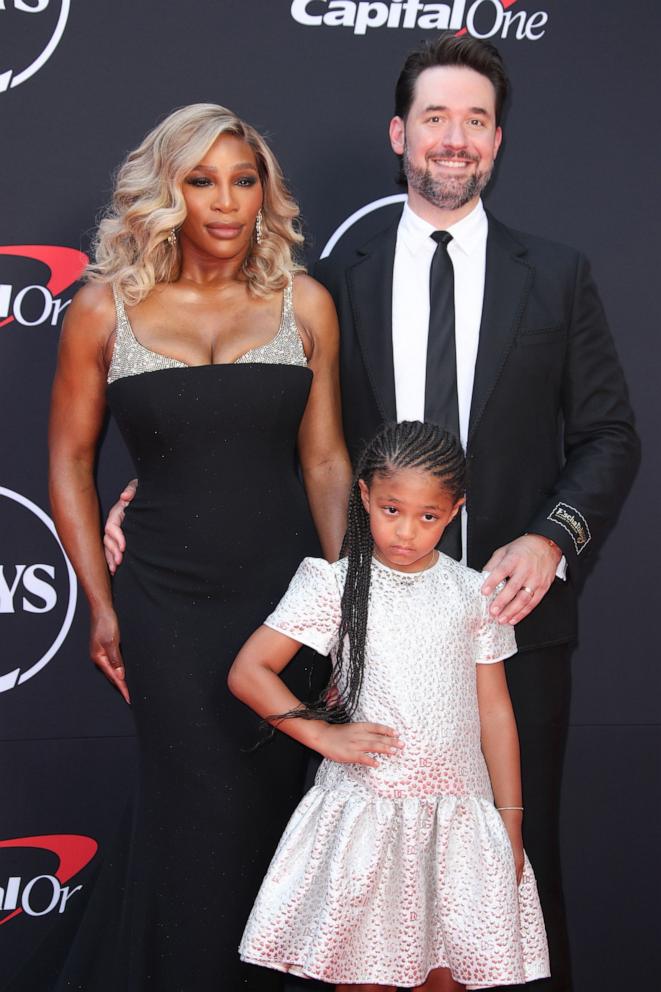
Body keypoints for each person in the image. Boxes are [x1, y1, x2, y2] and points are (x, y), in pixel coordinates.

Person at [313, 34, 640, 991]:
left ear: (497, 141)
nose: (453, 139)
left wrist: (552, 537)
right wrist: (144, 488)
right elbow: (291, 433)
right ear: (397, 133)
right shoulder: (340, 281)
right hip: (372, 631)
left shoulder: (559, 274)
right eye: (434, 118)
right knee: (370, 878)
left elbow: (609, 434)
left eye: (475, 121)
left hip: (511, 626)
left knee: (510, 864)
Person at [46, 103, 352, 991]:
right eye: (201, 179)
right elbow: (67, 461)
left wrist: (343, 602)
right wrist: (100, 602)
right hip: (165, 608)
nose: (225, 202)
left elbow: (326, 460)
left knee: (276, 821)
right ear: (166, 191)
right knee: (194, 823)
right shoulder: (104, 313)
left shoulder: (308, 305)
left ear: (266, 193)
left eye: (243, 179)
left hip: (285, 606)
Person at [228, 420, 550, 990]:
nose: (406, 532)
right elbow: (249, 671)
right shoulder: (332, 584)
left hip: (458, 825)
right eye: (391, 510)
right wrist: (322, 736)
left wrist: (511, 821)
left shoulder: (473, 591)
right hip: (368, 820)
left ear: (454, 512)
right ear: (364, 497)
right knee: (363, 977)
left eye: (428, 516)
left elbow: (496, 713)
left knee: (450, 976)